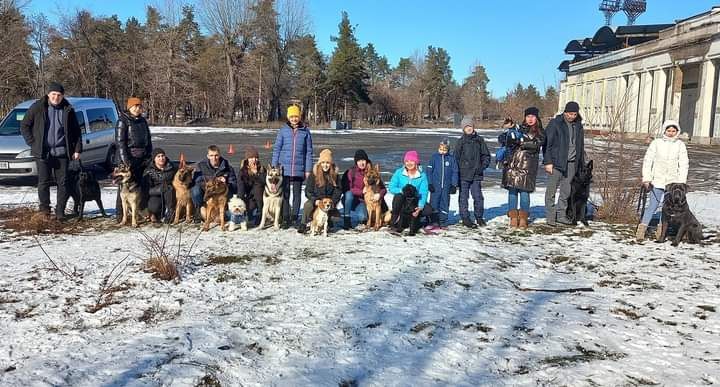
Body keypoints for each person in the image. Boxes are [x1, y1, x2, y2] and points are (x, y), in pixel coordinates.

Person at [20, 82, 82, 221]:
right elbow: (24, 125)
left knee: (63, 183)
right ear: (48, 94)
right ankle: (45, 212)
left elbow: (76, 131)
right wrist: (33, 143)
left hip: (62, 152)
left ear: (63, 96)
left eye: (59, 95)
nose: (56, 97)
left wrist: (77, 149)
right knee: (43, 183)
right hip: (43, 152)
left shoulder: (68, 109)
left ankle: (60, 212)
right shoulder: (38, 107)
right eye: (53, 94)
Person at [636, 120, 689, 241]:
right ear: (664, 130)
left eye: (673, 131)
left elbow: (684, 164)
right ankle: (641, 230)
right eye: (669, 130)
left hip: (672, 184)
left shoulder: (680, 145)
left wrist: (681, 183)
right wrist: (647, 178)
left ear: (677, 131)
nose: (671, 133)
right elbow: (648, 161)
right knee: (652, 206)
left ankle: (660, 232)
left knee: (666, 208)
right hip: (657, 181)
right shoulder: (656, 143)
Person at [499, 107, 545, 229]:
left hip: (527, 166)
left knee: (525, 192)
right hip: (513, 164)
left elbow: (536, 144)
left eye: (533, 116)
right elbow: (503, 139)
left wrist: (521, 142)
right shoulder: (518, 128)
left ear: (536, 118)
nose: (530, 119)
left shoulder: (540, 131)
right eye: (528, 116)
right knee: (512, 191)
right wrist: (507, 133)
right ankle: (513, 217)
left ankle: (523, 218)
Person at [544, 101, 586, 226]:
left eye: (574, 114)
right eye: (569, 114)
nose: (572, 116)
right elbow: (547, 144)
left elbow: (580, 145)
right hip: (556, 163)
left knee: (566, 191)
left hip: (572, 163)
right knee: (551, 191)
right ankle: (551, 216)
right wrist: (548, 162)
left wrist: (580, 163)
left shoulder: (578, 125)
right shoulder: (555, 123)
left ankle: (561, 215)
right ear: (565, 112)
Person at [272, 104, 313, 229]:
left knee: (296, 194)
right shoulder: (283, 131)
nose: (294, 119)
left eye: (296, 116)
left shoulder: (305, 131)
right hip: (284, 168)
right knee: (285, 194)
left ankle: (295, 217)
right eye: (292, 116)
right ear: (288, 117)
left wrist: (307, 169)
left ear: (299, 117)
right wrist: (274, 165)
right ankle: (285, 218)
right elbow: (277, 149)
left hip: (299, 168)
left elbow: (309, 152)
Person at [115, 97, 153, 222]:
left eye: (139, 106)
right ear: (129, 107)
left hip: (142, 157)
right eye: (135, 106)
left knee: (139, 186)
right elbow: (120, 143)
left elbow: (148, 139)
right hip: (129, 157)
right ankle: (120, 214)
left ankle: (138, 211)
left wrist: (149, 154)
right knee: (124, 187)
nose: (137, 109)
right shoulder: (123, 121)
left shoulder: (142, 121)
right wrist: (125, 160)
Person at [454, 118, 491, 228]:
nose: (469, 128)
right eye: (466, 127)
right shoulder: (460, 142)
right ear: (463, 129)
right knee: (463, 198)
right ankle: (465, 218)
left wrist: (482, 167)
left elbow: (486, 156)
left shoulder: (479, 140)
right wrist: (457, 173)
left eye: (470, 126)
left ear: (473, 127)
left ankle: (479, 217)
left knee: (478, 197)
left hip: (476, 174)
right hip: (463, 175)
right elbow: (455, 158)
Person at [340, 149, 387, 230]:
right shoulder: (351, 172)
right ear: (356, 162)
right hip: (352, 199)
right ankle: (346, 219)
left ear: (366, 160)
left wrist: (379, 195)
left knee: (362, 217)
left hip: (363, 201)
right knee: (348, 194)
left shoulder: (372, 172)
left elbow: (383, 189)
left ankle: (374, 221)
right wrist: (361, 191)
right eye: (359, 161)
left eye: (363, 160)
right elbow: (346, 188)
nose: (361, 163)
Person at [298, 149, 342, 234]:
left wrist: (332, 201)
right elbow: (308, 191)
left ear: (331, 164)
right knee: (307, 205)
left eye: (327, 163)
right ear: (320, 163)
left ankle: (329, 221)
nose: (325, 165)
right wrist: (315, 200)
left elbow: (338, 191)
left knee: (335, 217)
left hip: (329, 202)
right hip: (317, 200)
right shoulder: (314, 174)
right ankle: (303, 224)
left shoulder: (335, 175)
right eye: (323, 162)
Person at [388, 150, 433, 234]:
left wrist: (420, 207)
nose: (409, 163)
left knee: (428, 209)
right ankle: (395, 220)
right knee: (399, 197)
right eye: (407, 161)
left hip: (414, 200)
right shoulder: (399, 172)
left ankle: (417, 219)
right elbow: (391, 187)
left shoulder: (422, 175)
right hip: (402, 200)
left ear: (416, 162)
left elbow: (424, 192)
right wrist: (401, 190)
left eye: (411, 161)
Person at [192, 145, 238, 221]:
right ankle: (198, 211)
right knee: (195, 190)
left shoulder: (228, 168)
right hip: (207, 192)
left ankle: (224, 212)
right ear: (208, 156)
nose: (214, 158)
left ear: (219, 155)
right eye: (211, 155)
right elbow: (197, 181)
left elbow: (234, 186)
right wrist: (213, 181)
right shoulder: (201, 166)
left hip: (221, 195)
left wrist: (225, 182)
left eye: (216, 155)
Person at [426, 138, 458, 229]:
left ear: (448, 149)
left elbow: (455, 172)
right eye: (441, 149)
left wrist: (454, 185)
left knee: (445, 203)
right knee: (434, 203)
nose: (442, 151)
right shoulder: (434, 157)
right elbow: (429, 171)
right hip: (435, 187)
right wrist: (430, 183)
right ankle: (433, 221)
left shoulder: (451, 159)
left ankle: (443, 221)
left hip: (446, 187)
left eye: (445, 149)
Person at [142, 148, 176, 223]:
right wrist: (159, 190)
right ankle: (156, 214)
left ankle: (170, 213)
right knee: (154, 207)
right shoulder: (149, 171)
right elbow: (146, 190)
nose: (161, 158)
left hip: (170, 193)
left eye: (162, 156)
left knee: (168, 188)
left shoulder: (172, 167)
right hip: (156, 194)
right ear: (154, 159)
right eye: (158, 156)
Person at [238, 145, 266, 226]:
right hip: (249, 196)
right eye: (251, 158)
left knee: (258, 188)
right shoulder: (243, 171)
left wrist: (257, 174)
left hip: (260, 196)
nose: (254, 160)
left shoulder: (262, 169)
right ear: (247, 159)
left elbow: (264, 182)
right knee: (249, 211)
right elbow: (241, 187)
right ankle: (248, 214)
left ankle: (260, 213)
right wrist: (241, 200)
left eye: (256, 158)